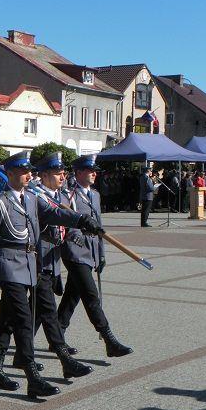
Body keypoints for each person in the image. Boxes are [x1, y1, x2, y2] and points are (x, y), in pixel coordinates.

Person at [0, 152, 102, 399]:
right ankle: (32, 377)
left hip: (31, 264)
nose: (28, 175)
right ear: (9, 174)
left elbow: (55, 213)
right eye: (22, 171)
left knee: (8, 318)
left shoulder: (31, 199)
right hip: (8, 264)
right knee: (22, 318)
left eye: (29, 170)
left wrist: (82, 220)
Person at [12, 151, 97, 379]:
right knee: (47, 312)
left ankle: (19, 356)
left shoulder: (54, 195)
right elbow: (51, 216)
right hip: (36, 261)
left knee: (31, 313)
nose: (62, 177)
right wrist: (79, 219)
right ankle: (64, 359)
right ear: (46, 175)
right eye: (59, 173)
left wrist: (75, 232)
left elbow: (60, 223)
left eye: (63, 173)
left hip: (50, 263)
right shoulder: (36, 196)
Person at [57, 154, 133, 359]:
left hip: (90, 252)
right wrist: (77, 236)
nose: (94, 174)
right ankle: (109, 340)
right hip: (75, 252)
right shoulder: (68, 196)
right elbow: (65, 222)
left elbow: (99, 228)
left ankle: (57, 336)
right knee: (91, 296)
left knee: (72, 297)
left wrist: (101, 255)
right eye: (90, 171)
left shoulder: (95, 195)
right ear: (79, 172)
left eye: (95, 171)